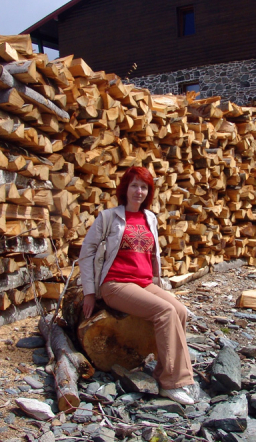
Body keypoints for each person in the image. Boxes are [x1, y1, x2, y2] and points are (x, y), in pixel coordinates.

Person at [79, 166, 195, 405]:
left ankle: (166, 372)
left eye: (144, 187)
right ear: (125, 188)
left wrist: (157, 284)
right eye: (134, 185)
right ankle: (173, 383)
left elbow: (153, 256)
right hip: (115, 285)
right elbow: (87, 253)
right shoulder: (109, 217)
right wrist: (89, 292)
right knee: (165, 312)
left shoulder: (149, 218)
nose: (139, 191)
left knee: (180, 311)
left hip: (143, 284)